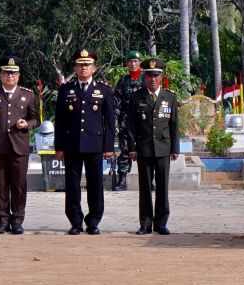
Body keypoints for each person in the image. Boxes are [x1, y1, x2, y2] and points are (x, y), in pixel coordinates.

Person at [54, 48, 116, 235]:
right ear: (75, 68)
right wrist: (59, 146)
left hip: (95, 145)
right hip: (72, 145)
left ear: (94, 68)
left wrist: (108, 146)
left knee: (95, 184)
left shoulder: (103, 90)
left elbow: (110, 121)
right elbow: (60, 121)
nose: (83, 68)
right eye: (80, 65)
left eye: (87, 65)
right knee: (72, 185)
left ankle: (94, 221)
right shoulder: (66, 90)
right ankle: (75, 221)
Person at [0, 56, 39, 234]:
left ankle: (17, 220)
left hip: (19, 147)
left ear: (18, 76)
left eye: (13, 73)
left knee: (19, 185)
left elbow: (36, 119)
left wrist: (27, 124)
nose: (9, 76)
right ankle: (3, 219)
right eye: (6, 73)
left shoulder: (28, 94)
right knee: (0, 184)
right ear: (1, 75)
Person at [126, 58, 180, 235]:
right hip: (144, 147)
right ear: (145, 76)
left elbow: (174, 125)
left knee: (163, 187)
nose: (152, 79)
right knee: (145, 188)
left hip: (164, 148)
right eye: (149, 75)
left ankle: (161, 223)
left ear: (161, 76)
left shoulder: (170, 97)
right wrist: (132, 148)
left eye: (156, 75)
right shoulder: (136, 97)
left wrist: (175, 148)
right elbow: (131, 126)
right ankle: (146, 223)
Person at [112, 50, 143, 191]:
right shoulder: (123, 81)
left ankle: (149, 181)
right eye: (130, 61)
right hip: (126, 122)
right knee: (124, 151)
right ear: (127, 64)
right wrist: (114, 121)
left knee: (146, 152)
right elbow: (116, 103)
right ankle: (122, 180)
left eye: (135, 61)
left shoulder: (146, 79)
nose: (133, 63)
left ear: (140, 63)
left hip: (143, 122)